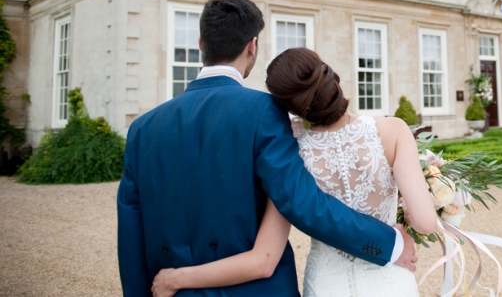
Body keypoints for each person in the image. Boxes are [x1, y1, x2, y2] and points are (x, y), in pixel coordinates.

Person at [117, 0, 417, 297]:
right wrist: (388, 243)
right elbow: (304, 203)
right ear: (252, 46)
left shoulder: (142, 129)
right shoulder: (262, 111)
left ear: (200, 44)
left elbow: (130, 238)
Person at [151, 47, 437, 297]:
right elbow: (425, 223)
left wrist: (178, 277)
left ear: (289, 107)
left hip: (327, 286)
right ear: (330, 77)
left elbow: (264, 258)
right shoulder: (393, 130)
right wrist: (407, 210)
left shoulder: (291, 157)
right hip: (389, 281)